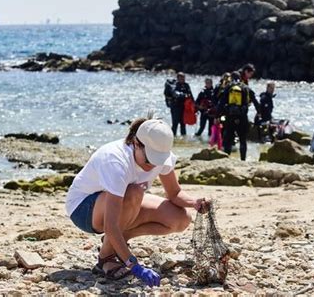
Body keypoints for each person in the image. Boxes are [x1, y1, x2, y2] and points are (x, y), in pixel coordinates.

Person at [65, 118, 209, 285]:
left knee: (181, 219)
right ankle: (106, 258)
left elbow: (175, 193)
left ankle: (118, 241)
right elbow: (110, 225)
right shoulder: (116, 160)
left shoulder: (161, 154)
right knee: (134, 192)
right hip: (84, 208)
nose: (152, 165)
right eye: (149, 159)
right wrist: (134, 265)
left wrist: (194, 202)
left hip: (122, 203)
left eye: (158, 160)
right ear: (136, 143)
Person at [217, 71, 251, 161]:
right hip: (242, 118)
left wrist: (217, 115)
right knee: (243, 140)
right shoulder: (245, 87)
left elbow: (221, 102)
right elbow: (247, 103)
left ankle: (227, 159)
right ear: (240, 77)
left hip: (230, 117)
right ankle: (243, 159)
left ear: (231, 78)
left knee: (228, 139)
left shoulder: (228, 87)